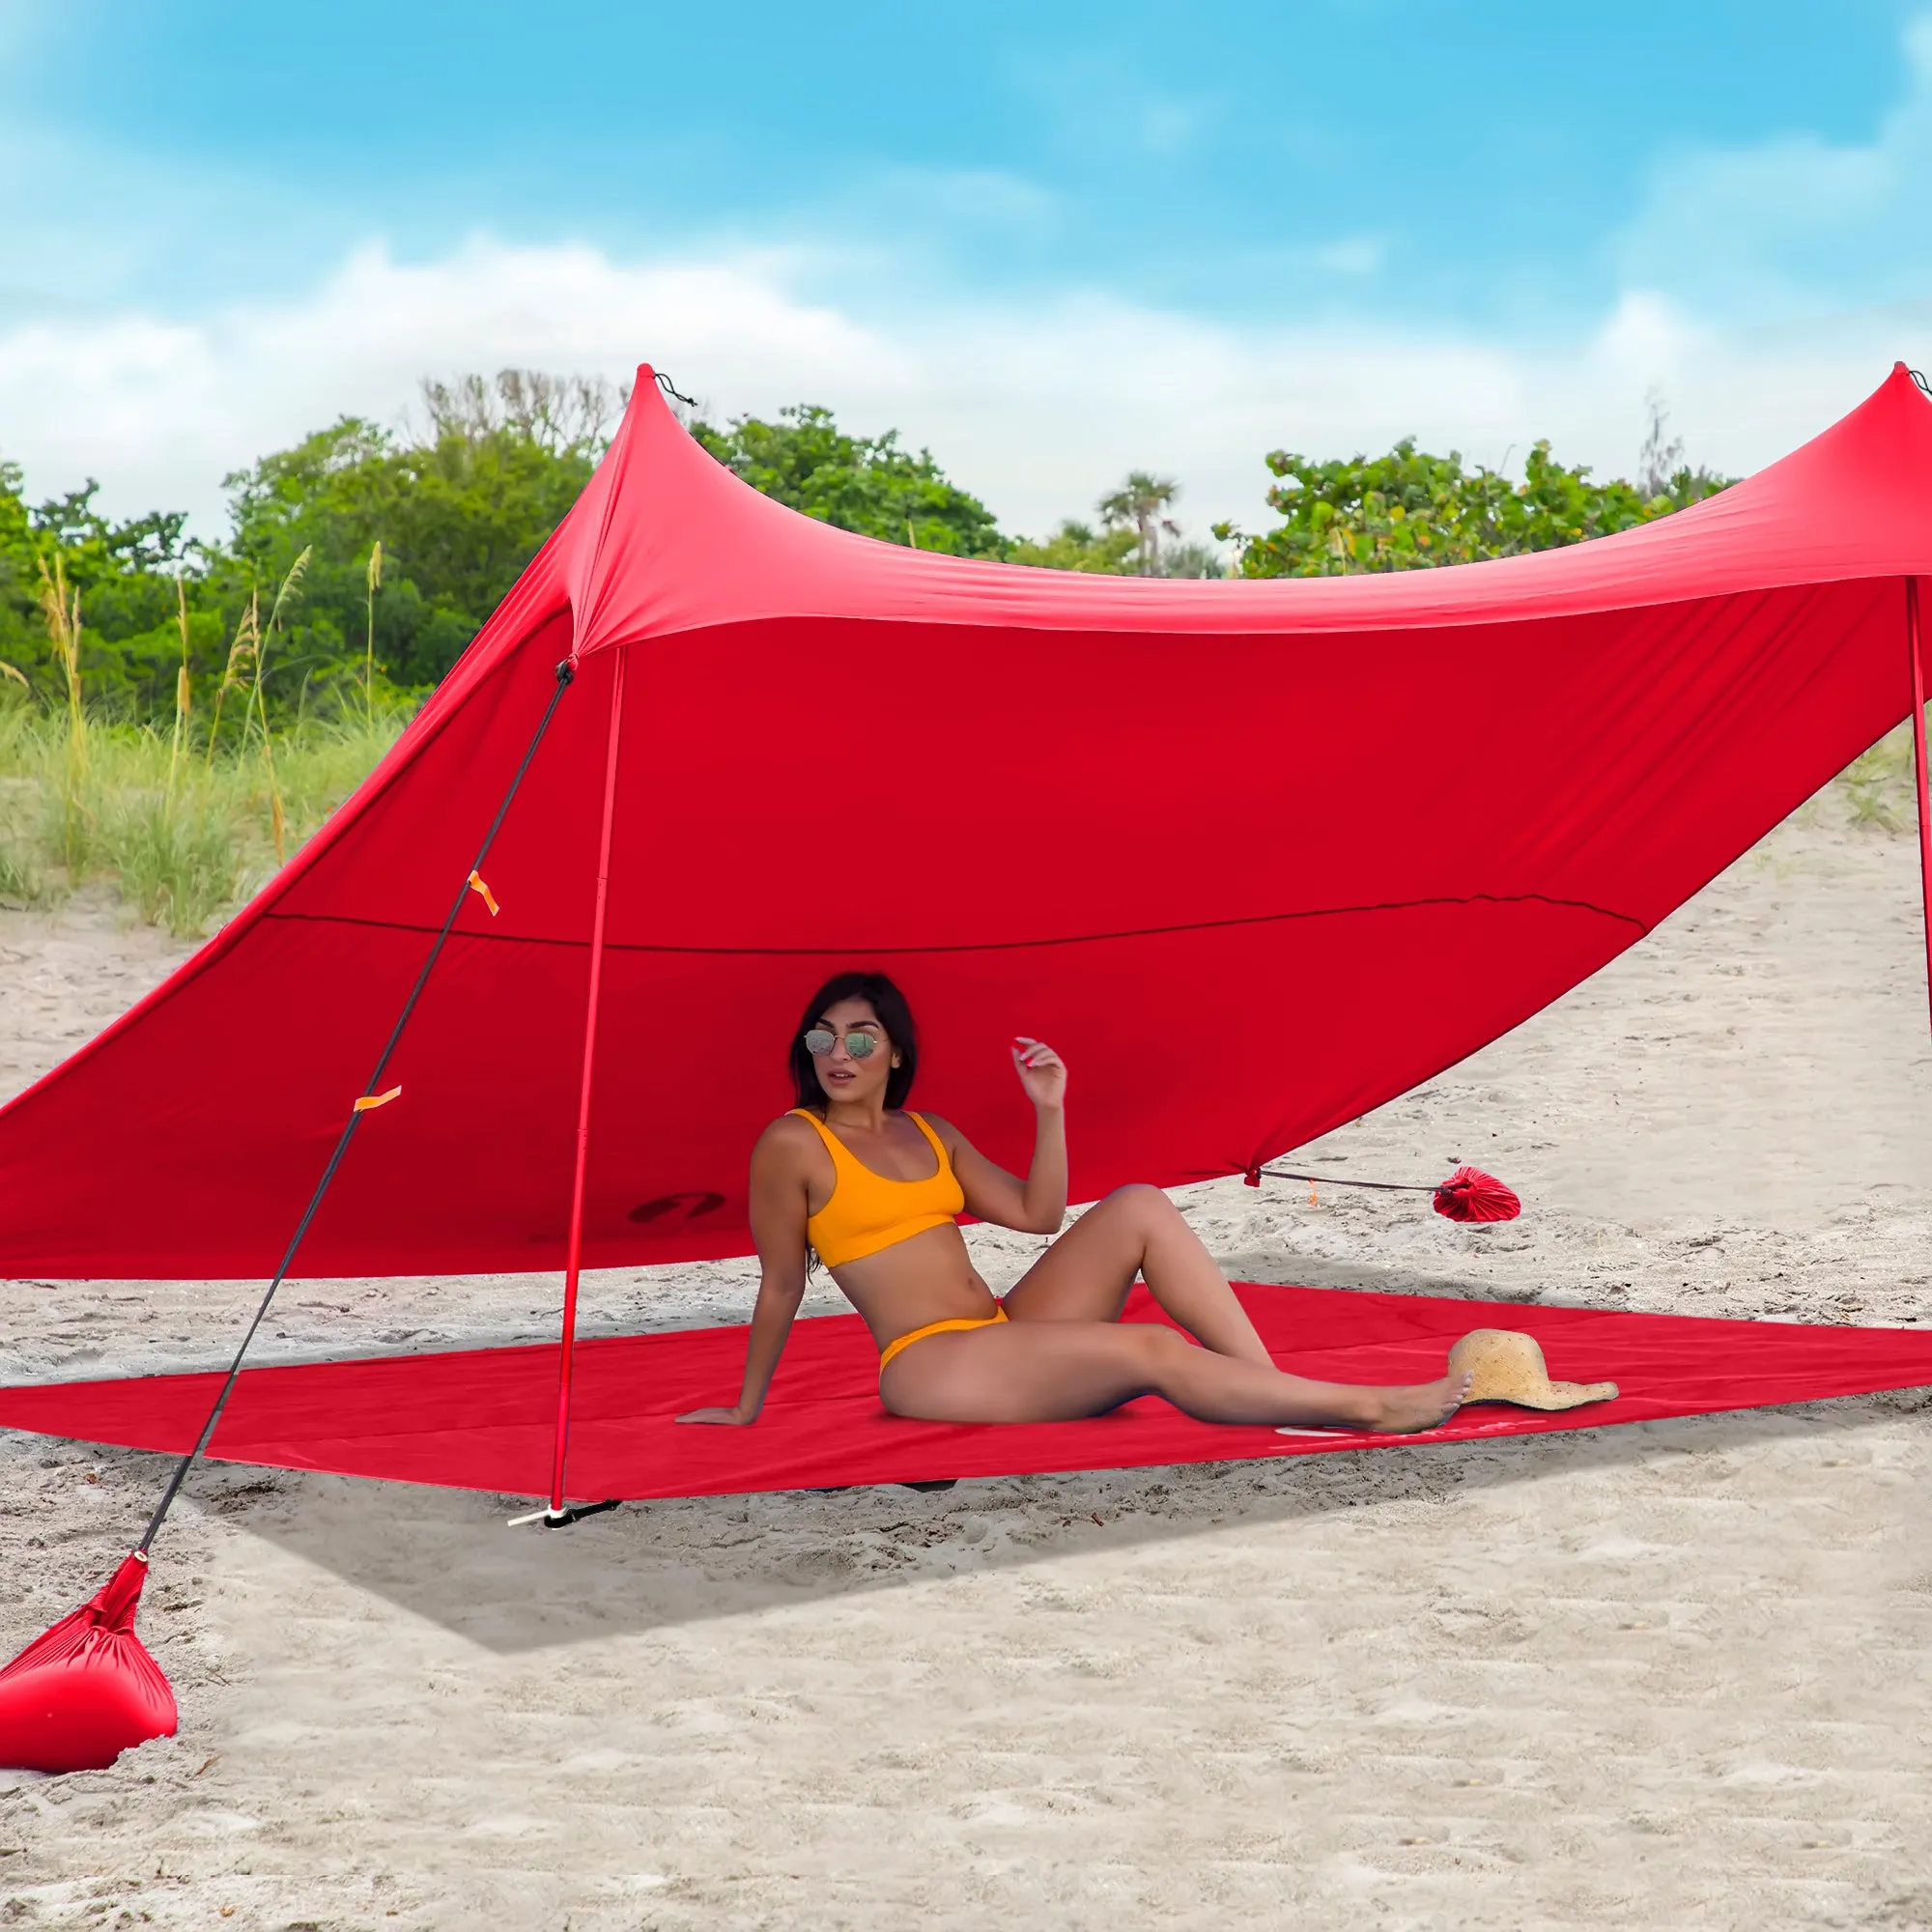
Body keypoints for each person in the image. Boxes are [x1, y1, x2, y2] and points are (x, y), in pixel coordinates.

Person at [675, 970, 1471, 1433]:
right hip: (926, 1366)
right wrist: (747, 1410)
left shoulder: (930, 1130)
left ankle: (1272, 1392)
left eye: (859, 1038)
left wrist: (1048, 1109)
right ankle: (1366, 1409)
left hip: (1000, 1333)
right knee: (1152, 1351)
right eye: (822, 1037)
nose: (837, 1055)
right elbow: (781, 1281)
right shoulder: (790, 1144)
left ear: (894, 1053)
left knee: (1137, 1205)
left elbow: (1037, 1216)